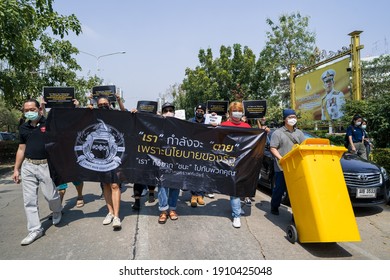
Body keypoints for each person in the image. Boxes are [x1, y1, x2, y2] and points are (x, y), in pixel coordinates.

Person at [13, 99, 63, 246]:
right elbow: (21, 149)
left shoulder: (47, 124)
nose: (29, 112)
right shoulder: (23, 128)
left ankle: (57, 210)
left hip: (45, 166)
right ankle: (35, 229)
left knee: (51, 196)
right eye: (26, 110)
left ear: (39, 110)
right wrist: (16, 168)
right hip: (28, 166)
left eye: (32, 109)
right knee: (29, 200)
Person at [89, 94, 126, 229]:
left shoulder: (115, 115)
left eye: (105, 104)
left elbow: (126, 115)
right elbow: (81, 118)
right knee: (105, 185)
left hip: (114, 156)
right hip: (99, 156)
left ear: (109, 104)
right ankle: (109, 212)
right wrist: (89, 105)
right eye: (100, 105)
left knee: (115, 185)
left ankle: (116, 216)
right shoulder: (93, 115)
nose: (103, 106)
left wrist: (119, 100)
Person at [221, 101, 251, 228]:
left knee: (240, 187)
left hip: (244, 161)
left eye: (239, 110)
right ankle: (236, 215)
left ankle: (237, 207)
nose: (237, 113)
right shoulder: (224, 125)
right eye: (235, 110)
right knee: (234, 188)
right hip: (230, 161)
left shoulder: (247, 126)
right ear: (230, 112)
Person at [270, 108, 305, 215]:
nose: (292, 119)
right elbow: (273, 148)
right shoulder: (277, 133)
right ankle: (274, 206)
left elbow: (304, 147)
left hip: (296, 167)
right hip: (282, 166)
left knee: (296, 191)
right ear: (285, 119)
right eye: (290, 117)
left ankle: (296, 213)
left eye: (294, 117)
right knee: (279, 189)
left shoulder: (299, 133)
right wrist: (281, 159)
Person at [157, 102, 180, 224]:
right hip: (161, 159)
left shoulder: (181, 125)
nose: (168, 112)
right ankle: (163, 210)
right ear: (162, 112)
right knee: (162, 184)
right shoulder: (157, 124)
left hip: (177, 160)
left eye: (171, 110)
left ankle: (172, 208)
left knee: (175, 184)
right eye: (166, 110)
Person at [188, 103, 207, 207]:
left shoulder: (208, 121)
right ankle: (193, 195)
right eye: (198, 111)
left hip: (204, 151)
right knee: (193, 173)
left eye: (201, 111)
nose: (199, 113)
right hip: (192, 150)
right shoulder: (190, 121)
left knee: (202, 173)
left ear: (204, 113)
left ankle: (200, 195)